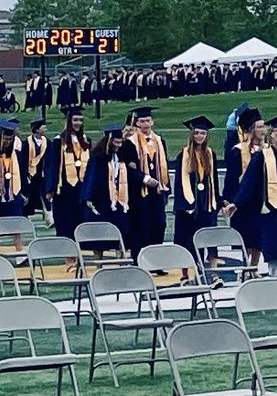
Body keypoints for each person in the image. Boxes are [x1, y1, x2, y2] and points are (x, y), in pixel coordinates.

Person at [225, 115, 277, 280]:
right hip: (268, 210)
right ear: (271, 134)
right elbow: (248, 181)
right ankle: (275, 277)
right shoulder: (262, 156)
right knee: (273, 244)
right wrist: (237, 203)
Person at [172, 116, 221, 275]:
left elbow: (213, 180)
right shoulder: (183, 155)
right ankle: (186, 273)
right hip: (189, 206)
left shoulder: (210, 154)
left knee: (209, 238)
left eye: (203, 133)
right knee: (187, 239)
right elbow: (179, 182)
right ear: (192, 134)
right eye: (197, 133)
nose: (200, 136)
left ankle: (213, 272)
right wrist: (185, 205)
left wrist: (218, 202)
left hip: (206, 203)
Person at [122, 106, 170, 259]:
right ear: (136, 123)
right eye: (142, 121)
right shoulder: (130, 143)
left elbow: (164, 165)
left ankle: (156, 260)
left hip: (157, 191)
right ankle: (140, 259)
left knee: (159, 225)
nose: (145, 124)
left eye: (148, 121)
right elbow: (127, 169)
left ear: (152, 122)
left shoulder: (159, 141)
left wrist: (165, 188)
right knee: (141, 226)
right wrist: (144, 178)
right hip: (139, 192)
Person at [222, 106, 265, 274]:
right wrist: (229, 199)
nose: (263, 130)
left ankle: (254, 268)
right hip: (243, 201)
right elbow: (231, 178)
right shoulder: (238, 151)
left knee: (259, 239)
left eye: (263, 126)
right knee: (247, 238)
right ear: (250, 129)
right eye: (259, 126)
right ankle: (247, 270)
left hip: (262, 200)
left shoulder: (267, 150)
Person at [81, 124, 132, 254]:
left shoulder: (121, 157)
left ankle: (121, 257)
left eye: (120, 142)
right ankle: (99, 260)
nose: (118, 145)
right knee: (100, 234)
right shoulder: (98, 158)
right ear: (109, 141)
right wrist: (88, 197)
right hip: (102, 199)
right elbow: (91, 177)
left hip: (119, 199)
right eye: (116, 142)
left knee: (121, 229)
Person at [44, 107, 90, 241]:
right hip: (64, 188)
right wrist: (51, 188)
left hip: (81, 188)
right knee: (65, 221)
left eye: (81, 120)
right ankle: (68, 254)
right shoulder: (59, 141)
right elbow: (53, 164)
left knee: (80, 220)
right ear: (69, 121)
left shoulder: (86, 140)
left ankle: (78, 253)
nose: (78, 123)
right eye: (75, 120)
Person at [23, 118, 50, 220]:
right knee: (30, 193)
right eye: (43, 126)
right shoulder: (27, 142)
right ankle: (26, 215)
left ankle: (47, 214)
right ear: (37, 129)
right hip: (31, 173)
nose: (45, 128)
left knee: (44, 194)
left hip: (43, 173)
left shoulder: (47, 142)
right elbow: (24, 158)